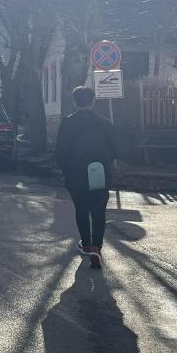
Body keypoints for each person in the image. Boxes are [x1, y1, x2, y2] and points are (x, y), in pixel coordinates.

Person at [55, 86, 117, 269]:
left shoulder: (68, 123)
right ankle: (97, 247)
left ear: (75, 103)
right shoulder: (105, 123)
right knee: (99, 211)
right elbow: (115, 149)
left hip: (76, 173)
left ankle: (86, 244)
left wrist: (67, 171)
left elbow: (60, 152)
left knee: (81, 209)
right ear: (93, 102)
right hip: (100, 172)